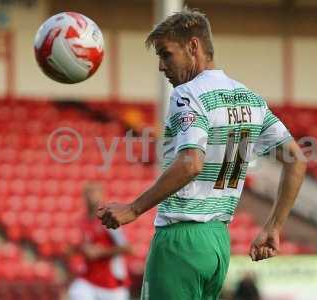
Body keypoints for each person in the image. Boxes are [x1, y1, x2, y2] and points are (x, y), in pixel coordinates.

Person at [97, 8, 306, 300]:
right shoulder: (250, 98)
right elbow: (296, 159)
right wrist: (274, 227)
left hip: (181, 241)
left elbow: (191, 163)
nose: (161, 66)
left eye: (166, 54)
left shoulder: (188, 94)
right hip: (218, 242)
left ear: (193, 47)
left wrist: (133, 209)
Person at [68, 182, 133, 300]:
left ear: (101, 195)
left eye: (93, 193)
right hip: (89, 280)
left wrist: (101, 252)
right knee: (76, 292)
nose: (90, 196)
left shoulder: (108, 219)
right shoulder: (83, 221)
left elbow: (128, 248)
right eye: (87, 193)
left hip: (112, 283)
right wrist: (81, 249)